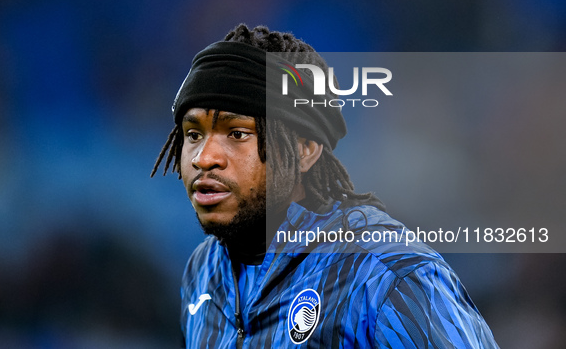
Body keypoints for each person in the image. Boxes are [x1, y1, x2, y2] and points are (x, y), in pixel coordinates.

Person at [152, 24, 498, 348]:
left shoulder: (385, 274)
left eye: (238, 133)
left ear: (305, 149)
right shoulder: (203, 272)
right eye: (193, 134)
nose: (204, 157)